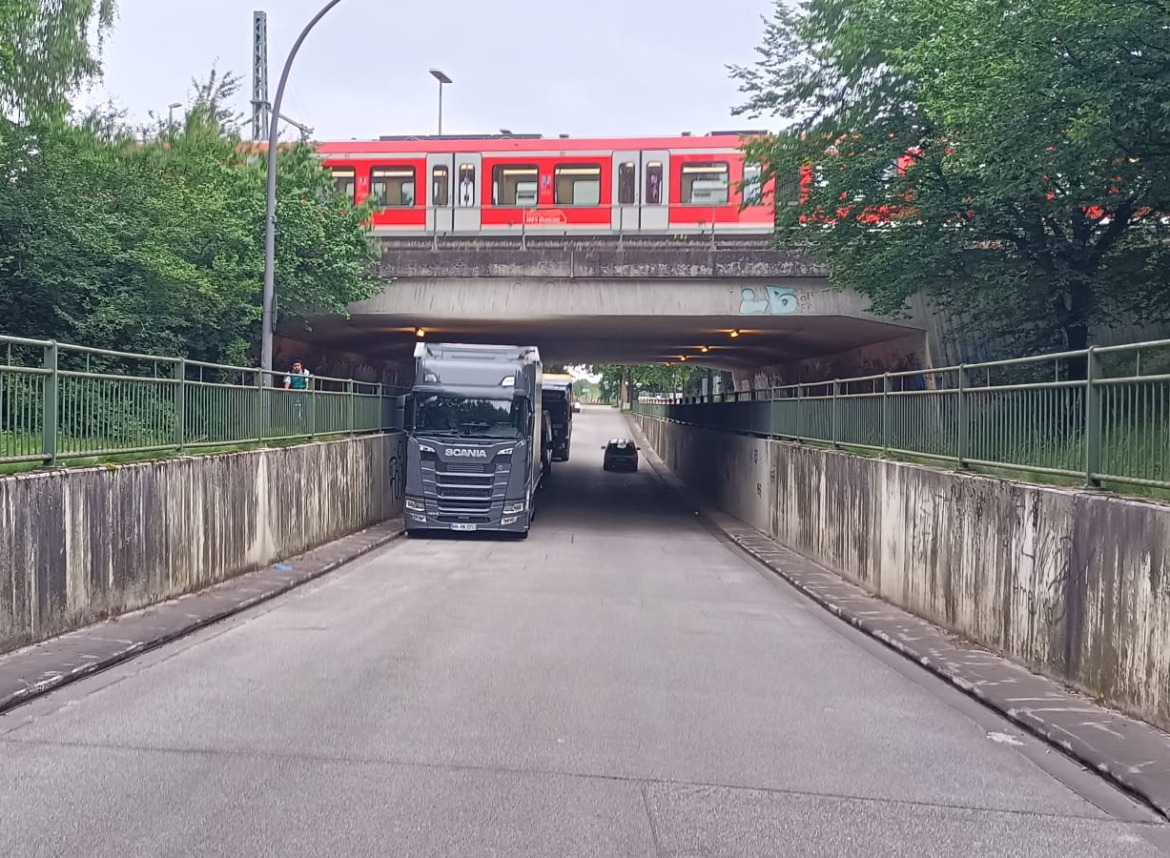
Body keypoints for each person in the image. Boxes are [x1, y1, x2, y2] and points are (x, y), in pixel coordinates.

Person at [284, 361, 311, 430]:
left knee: (305, 409)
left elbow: (307, 383)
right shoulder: (289, 373)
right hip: (294, 392)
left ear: (301, 366)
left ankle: (305, 426)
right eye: (295, 365)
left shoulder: (305, 372)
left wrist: (307, 391)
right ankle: (292, 425)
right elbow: (287, 383)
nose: (296, 367)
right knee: (293, 409)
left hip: (303, 392)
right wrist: (285, 391)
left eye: (298, 365)